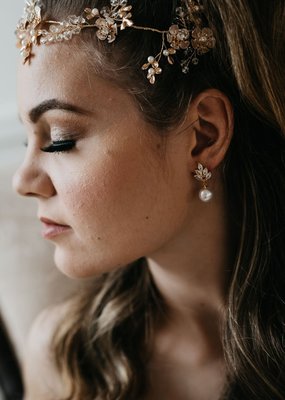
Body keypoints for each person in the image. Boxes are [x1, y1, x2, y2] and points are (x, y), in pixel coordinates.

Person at [13, 0, 285, 399]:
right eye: (25, 139)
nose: (23, 181)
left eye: (60, 140)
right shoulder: (65, 358)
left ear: (202, 136)